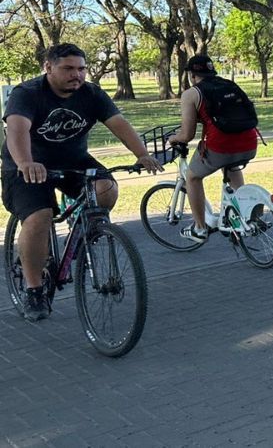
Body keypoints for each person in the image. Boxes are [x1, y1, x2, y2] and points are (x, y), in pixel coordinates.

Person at [1, 44, 162, 322]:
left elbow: (119, 123)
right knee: (40, 217)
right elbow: (17, 129)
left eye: (81, 69)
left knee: (107, 189)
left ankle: (83, 234)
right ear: (48, 68)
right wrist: (26, 162)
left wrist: (142, 154)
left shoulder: (91, 94)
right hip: (26, 163)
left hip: (73, 160)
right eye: (68, 69)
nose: (76, 75)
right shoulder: (27, 93)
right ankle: (34, 287)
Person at [168, 55, 260, 242]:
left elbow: (187, 135)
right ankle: (242, 216)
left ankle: (200, 228)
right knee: (232, 166)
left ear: (192, 75)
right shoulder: (229, 84)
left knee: (192, 177)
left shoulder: (191, 94)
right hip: (250, 143)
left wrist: (173, 138)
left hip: (221, 147)